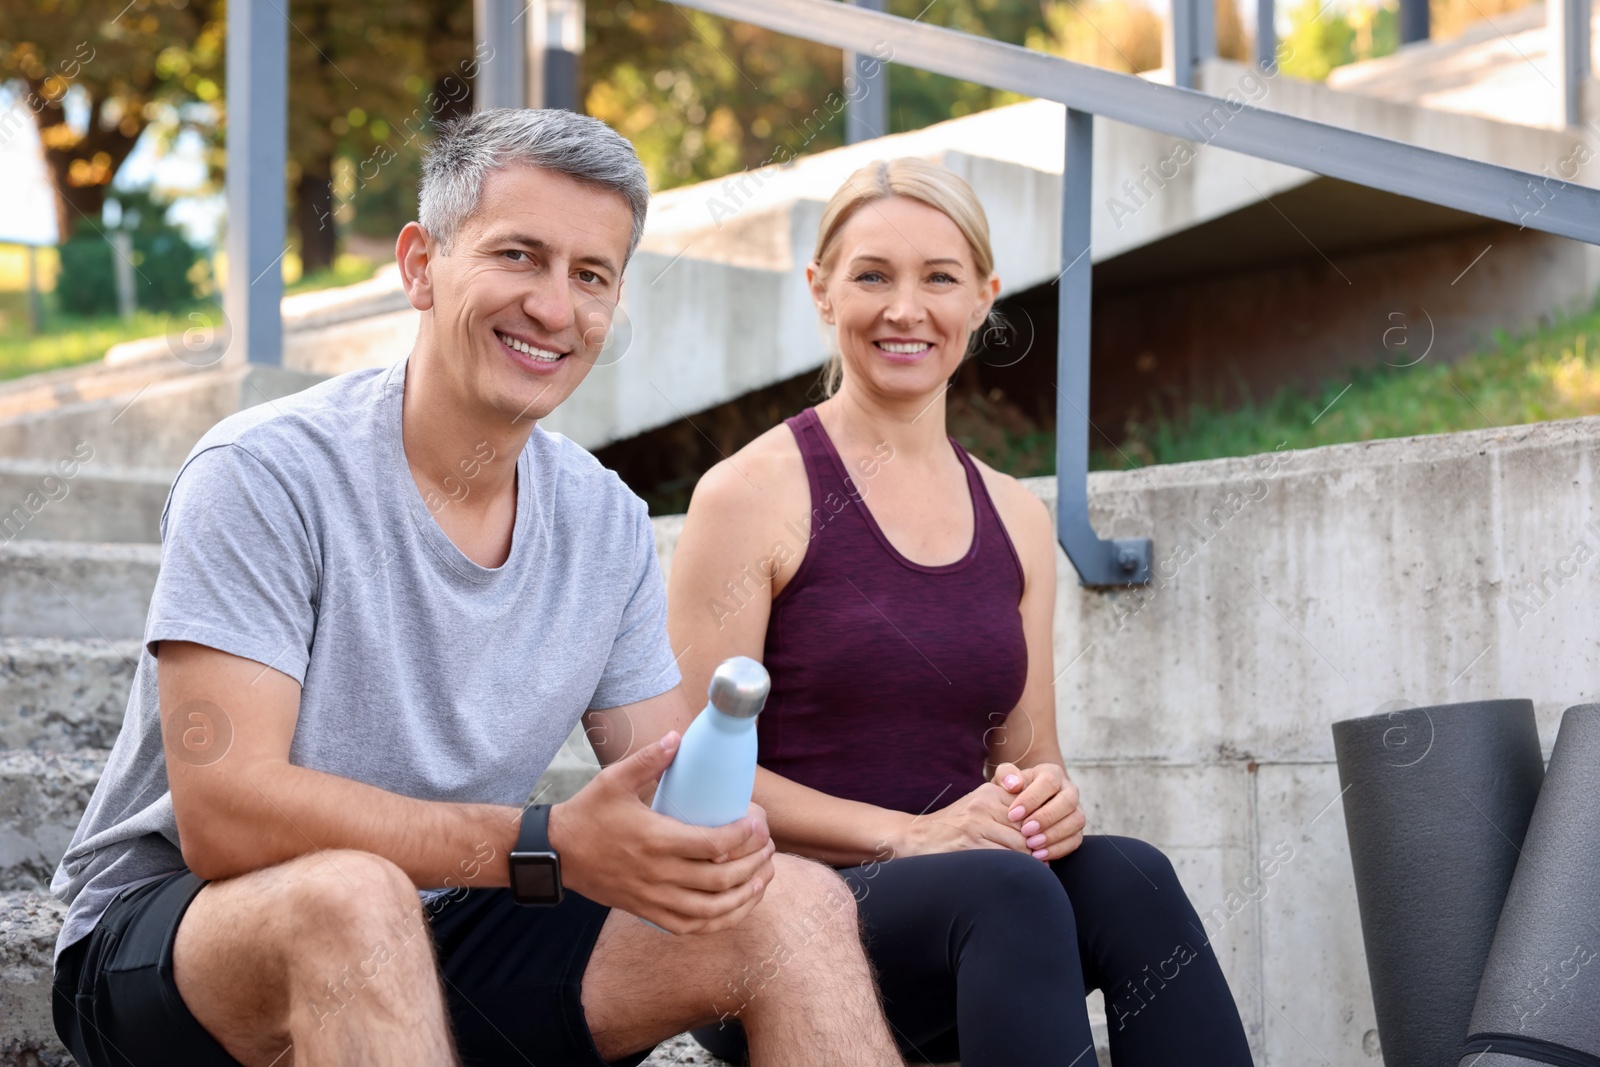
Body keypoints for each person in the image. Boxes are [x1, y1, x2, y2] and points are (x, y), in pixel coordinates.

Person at [48, 109, 906, 1067]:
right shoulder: (264, 472)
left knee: (798, 903)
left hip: (444, 920)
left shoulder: (605, 520)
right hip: (180, 937)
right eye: (519, 255)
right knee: (354, 895)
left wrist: (746, 842)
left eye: (592, 277)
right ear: (420, 265)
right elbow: (226, 814)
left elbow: (666, 778)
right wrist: (540, 843)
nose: (552, 306)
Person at [662, 158, 1255, 1067]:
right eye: (872, 276)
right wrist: (912, 837)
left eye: (939, 278)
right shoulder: (749, 494)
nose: (906, 310)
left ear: (983, 297)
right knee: (1003, 893)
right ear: (822, 292)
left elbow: (1027, 761)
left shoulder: (1016, 514)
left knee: (1130, 876)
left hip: (965, 903)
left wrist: (1048, 801)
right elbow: (692, 785)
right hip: (774, 915)